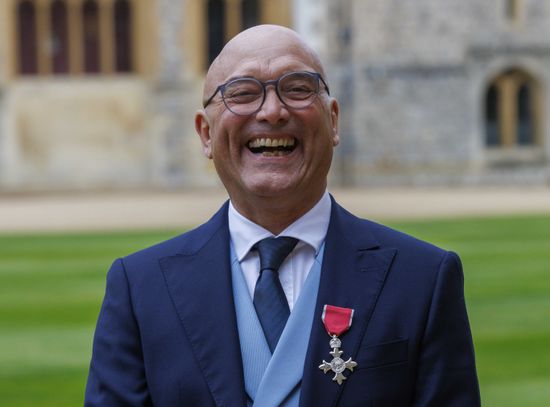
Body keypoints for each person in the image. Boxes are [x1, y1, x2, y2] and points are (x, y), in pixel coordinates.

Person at [85, 25, 480, 406]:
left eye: (297, 89)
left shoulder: (423, 280)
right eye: (241, 93)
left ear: (334, 121)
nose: (273, 111)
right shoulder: (140, 290)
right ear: (205, 134)